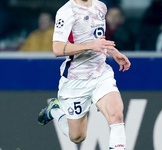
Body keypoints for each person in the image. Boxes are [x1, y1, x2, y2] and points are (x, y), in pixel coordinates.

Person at [38, 0, 131, 150]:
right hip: (76, 79)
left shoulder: (101, 6)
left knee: (116, 114)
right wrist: (91, 46)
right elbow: (57, 48)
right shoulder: (66, 11)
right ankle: (55, 110)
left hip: (101, 72)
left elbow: (97, 38)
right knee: (77, 136)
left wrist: (114, 52)